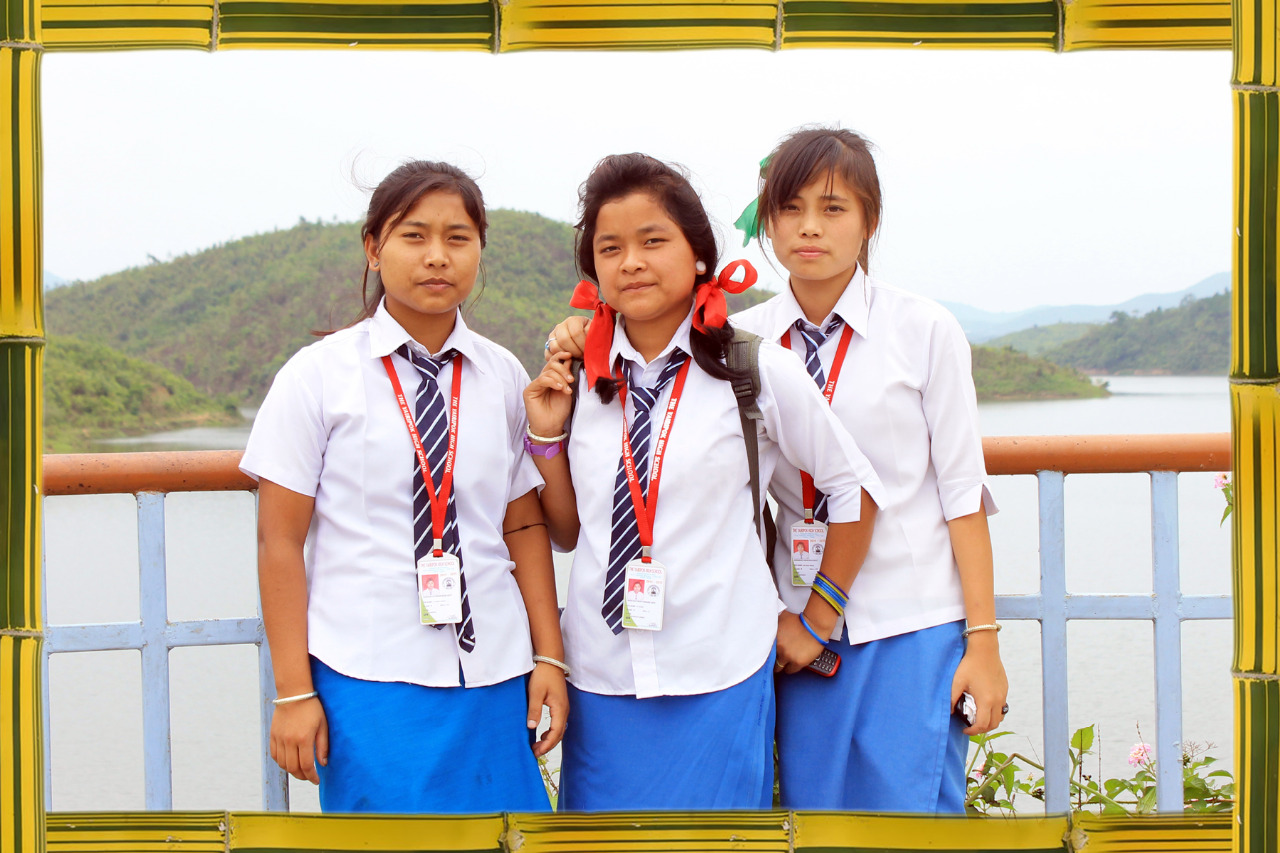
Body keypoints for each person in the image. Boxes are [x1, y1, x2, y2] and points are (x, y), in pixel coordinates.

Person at [546, 128, 1009, 814]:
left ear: (870, 220)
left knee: (911, 814)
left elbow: (961, 493)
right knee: (809, 816)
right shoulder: (741, 344)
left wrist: (984, 639)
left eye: (833, 208)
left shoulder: (922, 329)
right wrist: (577, 336)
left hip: (906, 612)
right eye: (789, 209)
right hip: (793, 626)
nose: (809, 227)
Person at [524, 153, 881, 811]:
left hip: (720, 669)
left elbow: (852, 489)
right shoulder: (577, 376)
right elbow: (569, 531)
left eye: (653, 241)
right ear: (593, 270)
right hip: (602, 677)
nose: (632, 262)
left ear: (697, 255)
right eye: (611, 248)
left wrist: (818, 618)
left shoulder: (752, 368)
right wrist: (545, 439)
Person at [241, 160, 568, 814]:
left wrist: (549, 658)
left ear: (480, 250)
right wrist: (293, 691)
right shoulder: (317, 376)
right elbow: (279, 541)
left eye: (458, 238)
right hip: (370, 673)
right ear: (374, 247)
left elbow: (524, 523)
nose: (437, 256)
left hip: (494, 670)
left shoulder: (503, 374)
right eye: (414, 236)